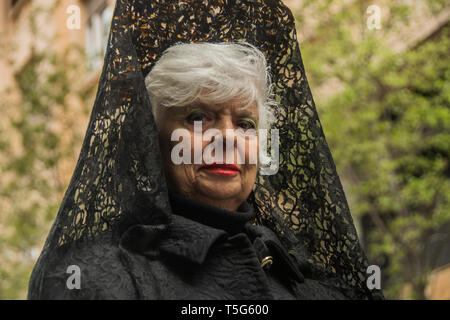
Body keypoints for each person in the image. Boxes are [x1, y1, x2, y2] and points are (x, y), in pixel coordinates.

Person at [28, 0, 383, 300]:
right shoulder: (89, 280)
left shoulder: (312, 284)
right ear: (150, 140)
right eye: (198, 117)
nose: (227, 138)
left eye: (245, 124)